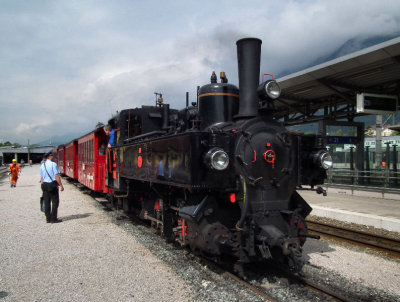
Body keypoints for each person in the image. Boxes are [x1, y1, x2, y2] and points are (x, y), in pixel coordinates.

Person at [40, 152, 64, 223]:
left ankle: (48, 219)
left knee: (47, 202)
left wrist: (42, 185)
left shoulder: (42, 165)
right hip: (52, 185)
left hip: (44, 185)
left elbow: (41, 178)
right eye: (51, 155)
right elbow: (56, 175)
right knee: (55, 201)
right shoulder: (53, 164)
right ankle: (54, 218)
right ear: (50, 157)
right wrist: (61, 185)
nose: (52, 156)